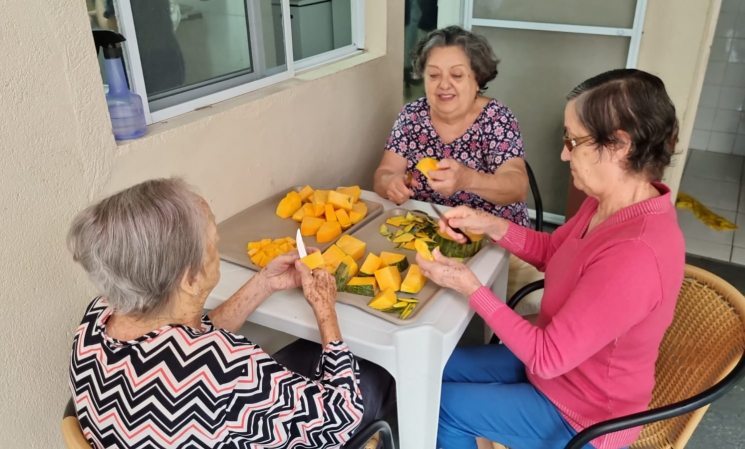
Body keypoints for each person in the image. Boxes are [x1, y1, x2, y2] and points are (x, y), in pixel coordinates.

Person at [415, 69, 686, 449]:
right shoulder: (605, 204)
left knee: (441, 405)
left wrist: (469, 286)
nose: (563, 153)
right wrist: (490, 223)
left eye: (573, 140)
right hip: (557, 374)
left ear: (620, 145)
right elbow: (554, 253)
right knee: (427, 370)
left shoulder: (636, 253)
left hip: (584, 416)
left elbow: (547, 356)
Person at [67, 178, 393, 448]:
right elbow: (343, 415)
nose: (218, 242)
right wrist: (325, 308)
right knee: (379, 373)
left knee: (303, 353)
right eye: (211, 241)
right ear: (190, 277)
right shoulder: (222, 366)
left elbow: (187, 341)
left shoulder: (98, 317)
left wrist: (263, 283)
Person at [375, 26, 531, 228]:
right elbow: (383, 173)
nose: (444, 85)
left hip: (490, 234)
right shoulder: (411, 116)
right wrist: (390, 183)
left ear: (477, 79)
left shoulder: (496, 118)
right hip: (427, 229)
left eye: (456, 75)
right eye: (433, 75)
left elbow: (517, 187)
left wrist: (467, 180)